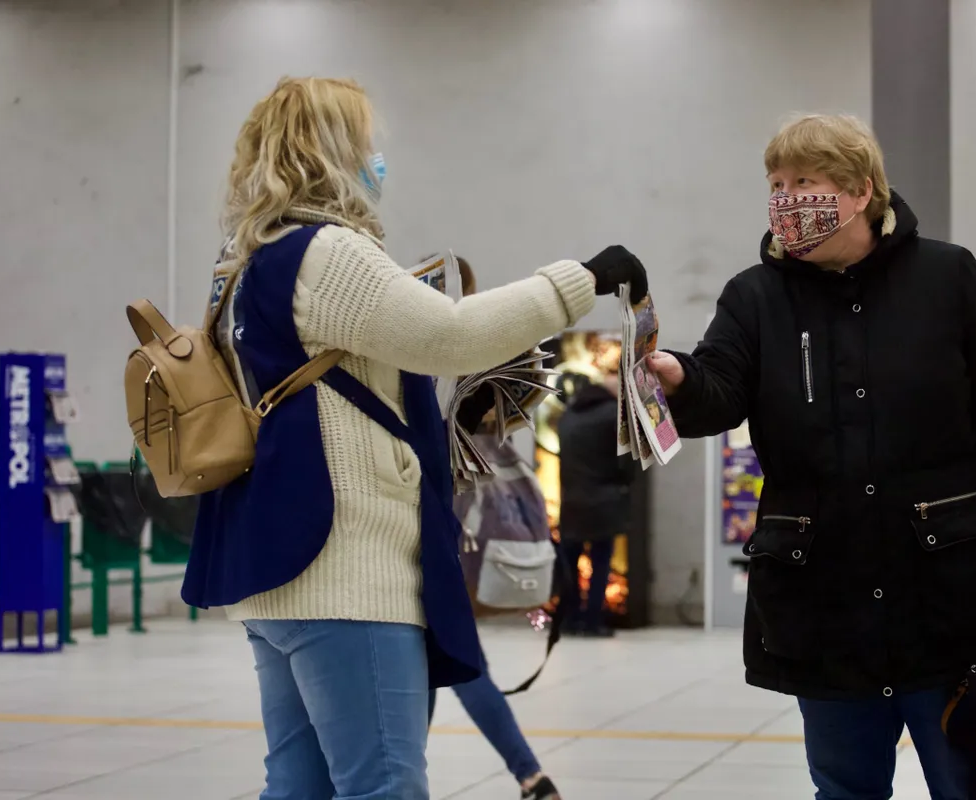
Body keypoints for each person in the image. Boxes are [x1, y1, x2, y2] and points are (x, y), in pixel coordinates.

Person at [181, 77, 647, 800]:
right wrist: (580, 281)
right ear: (332, 149)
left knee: (298, 787)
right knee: (386, 786)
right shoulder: (327, 252)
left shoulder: (243, 265)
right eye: (365, 142)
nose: (376, 157)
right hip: (347, 574)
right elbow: (451, 335)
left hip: (279, 574)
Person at [648, 114, 976, 800]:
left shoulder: (947, 277)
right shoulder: (755, 295)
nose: (786, 200)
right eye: (776, 184)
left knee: (973, 785)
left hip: (951, 596)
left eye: (804, 182)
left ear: (861, 190)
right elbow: (718, 392)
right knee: (845, 789)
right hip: (824, 602)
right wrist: (678, 378)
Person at [426, 255, 563, 800]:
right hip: (465, 551)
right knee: (450, 662)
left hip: (435, 550)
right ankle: (530, 776)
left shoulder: (428, 371)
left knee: (445, 663)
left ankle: (402, 778)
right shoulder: (485, 366)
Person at [556, 371, 635, 637]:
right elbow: (626, 462)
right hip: (604, 500)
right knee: (601, 563)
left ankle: (569, 619)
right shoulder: (614, 415)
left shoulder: (569, 414)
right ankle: (593, 621)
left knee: (570, 562)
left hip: (571, 500)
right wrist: (624, 483)